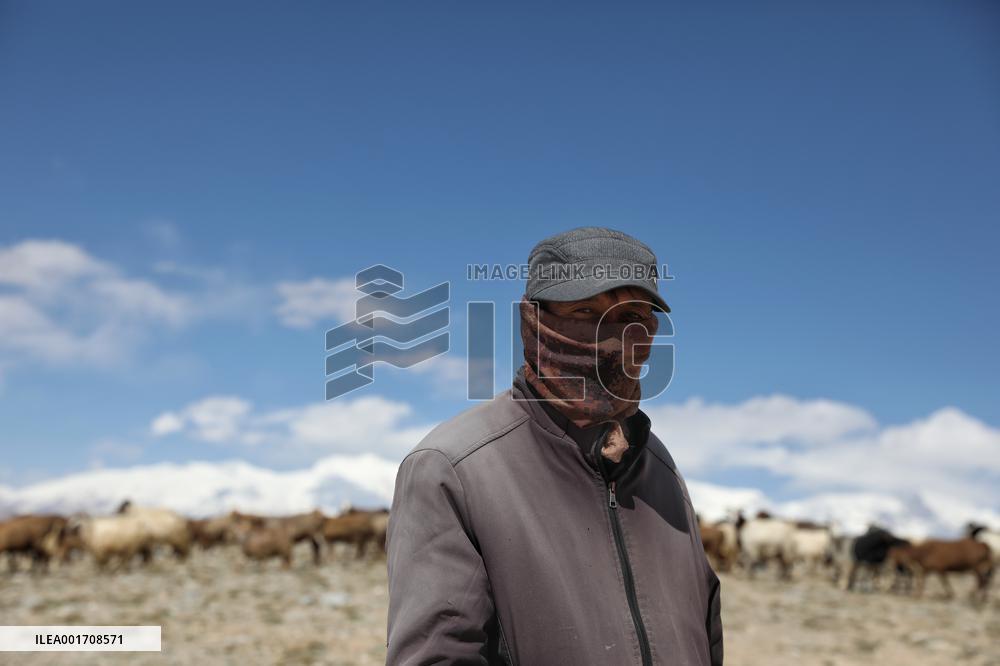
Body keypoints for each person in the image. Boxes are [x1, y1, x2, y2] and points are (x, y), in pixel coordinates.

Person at [386, 227, 723, 665]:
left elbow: (704, 633)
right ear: (535, 321)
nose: (611, 336)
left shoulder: (660, 469)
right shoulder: (454, 469)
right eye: (584, 310)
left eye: (632, 315)